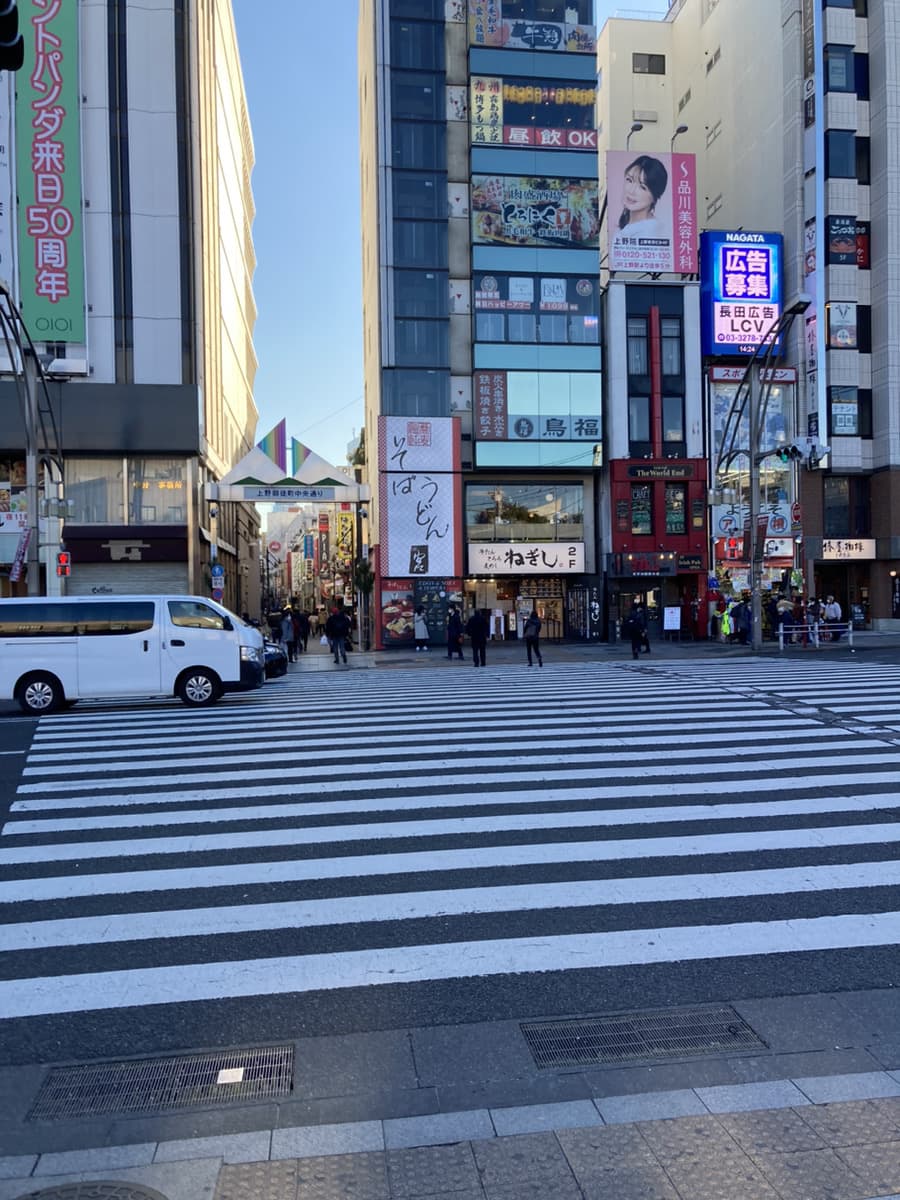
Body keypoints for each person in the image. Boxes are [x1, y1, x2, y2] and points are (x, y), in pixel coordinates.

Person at [612, 155, 669, 247]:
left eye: (642, 187)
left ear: (654, 196)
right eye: (629, 180)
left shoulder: (652, 232)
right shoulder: (625, 226)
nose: (631, 190)